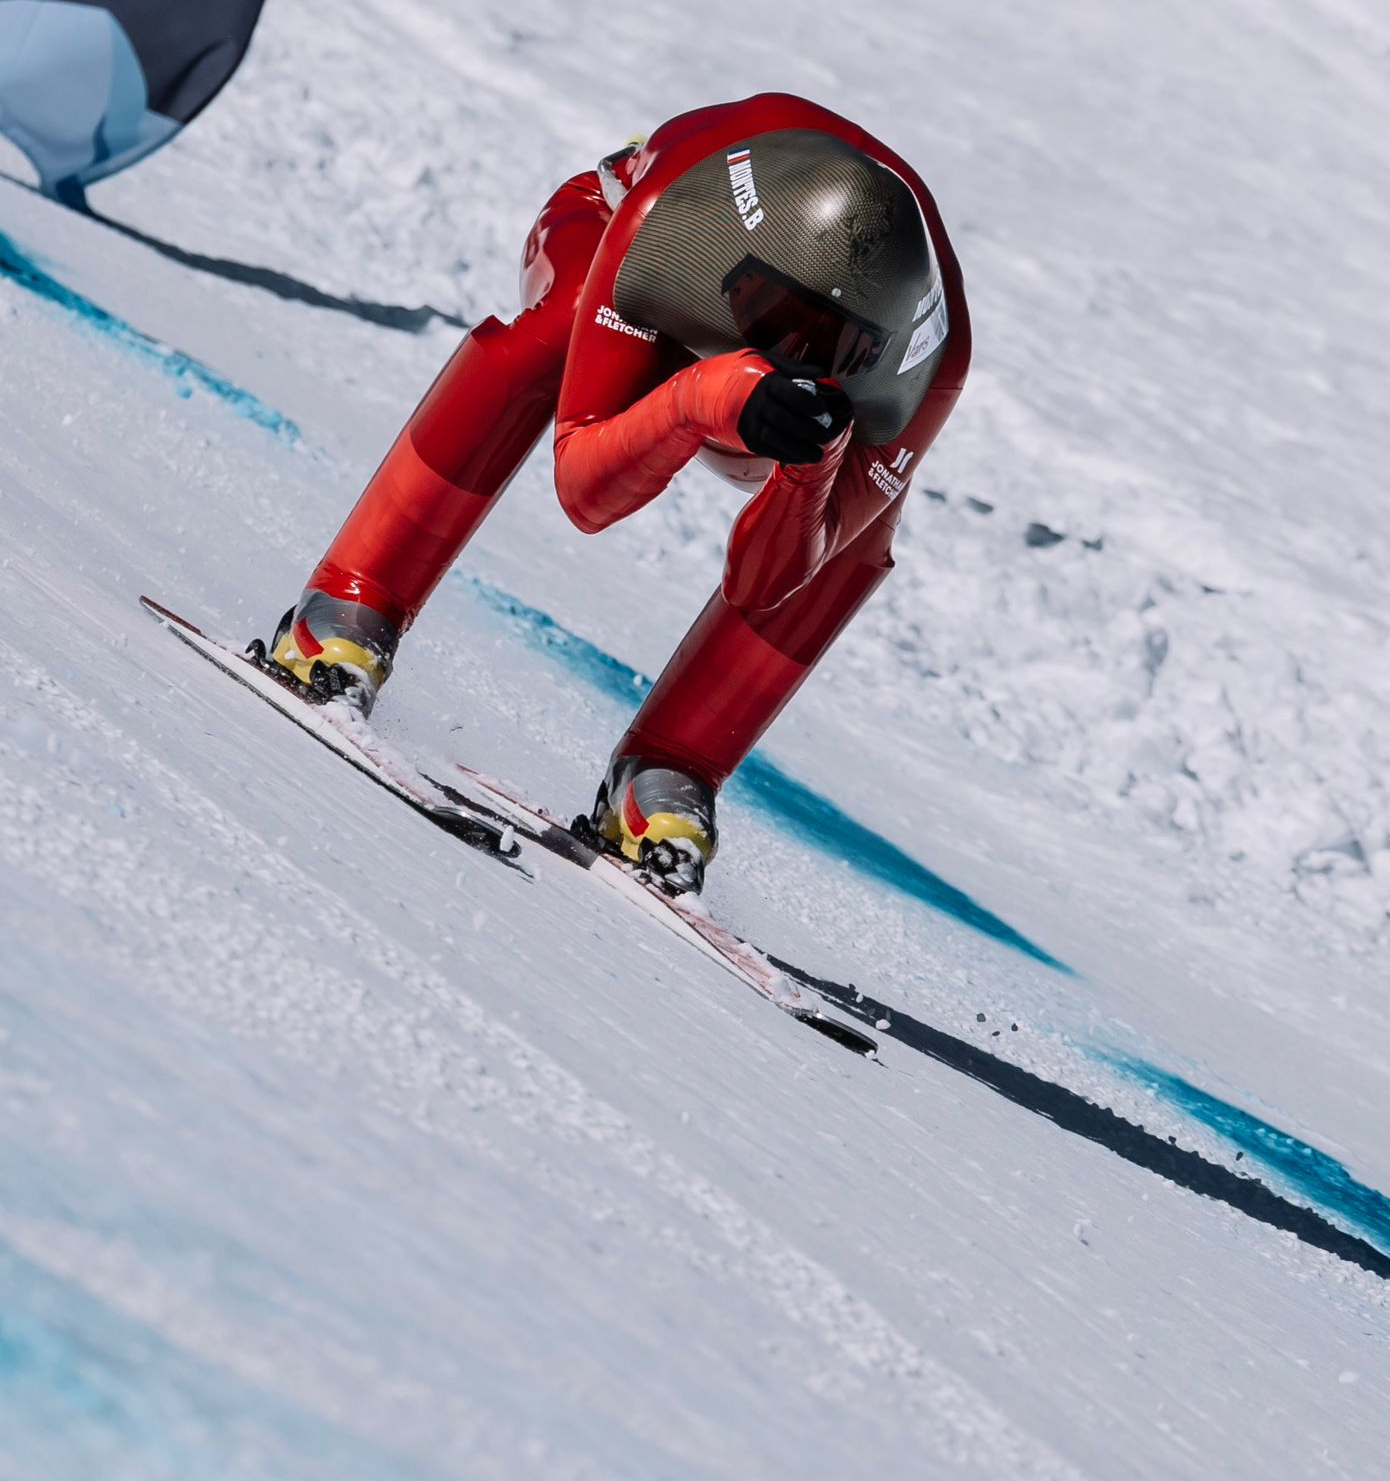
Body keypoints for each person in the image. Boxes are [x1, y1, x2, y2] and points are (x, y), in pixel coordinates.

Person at [266, 91, 970, 892]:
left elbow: (773, 583)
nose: (794, 360)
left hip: (762, 318)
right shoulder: (670, 227)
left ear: (883, 350)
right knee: (556, 327)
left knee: (858, 534)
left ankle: (671, 773)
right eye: (773, 320)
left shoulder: (926, 367)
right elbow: (584, 489)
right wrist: (702, 397)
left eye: (836, 348)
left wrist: (813, 472)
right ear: (735, 270)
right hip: (619, 240)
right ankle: (351, 603)